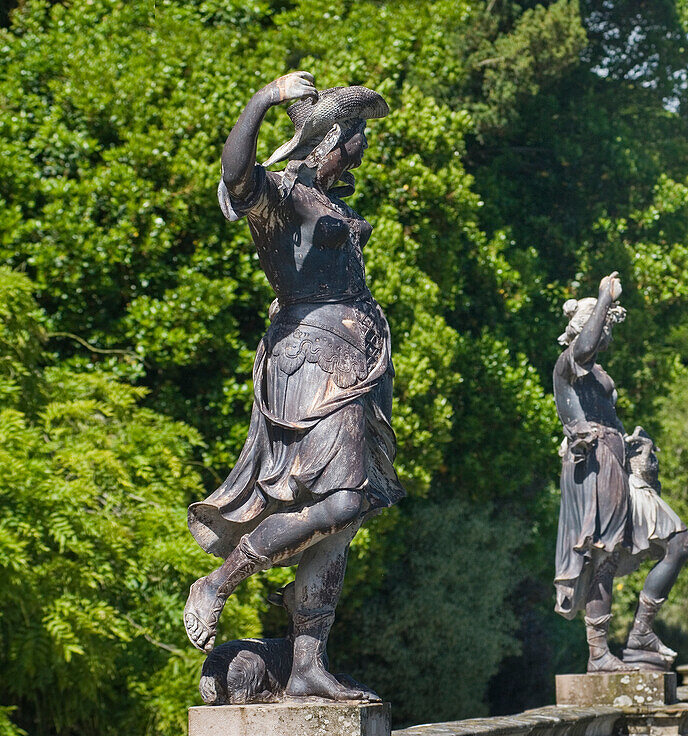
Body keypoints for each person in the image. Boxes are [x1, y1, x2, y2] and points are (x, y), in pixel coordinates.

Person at [182, 71, 403, 702]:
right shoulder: (281, 195)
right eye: (356, 134)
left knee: (346, 516)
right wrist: (263, 100)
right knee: (340, 502)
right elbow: (233, 175)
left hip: (356, 362)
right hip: (311, 362)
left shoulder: (330, 201)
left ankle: (308, 664)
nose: (361, 145)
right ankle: (219, 582)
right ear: (332, 137)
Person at [552, 272, 688, 672]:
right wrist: (602, 299)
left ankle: (641, 635)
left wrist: (635, 445)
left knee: (679, 541)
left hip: (619, 465)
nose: (608, 333)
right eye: (604, 324)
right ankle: (598, 653)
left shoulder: (599, 376)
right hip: (593, 464)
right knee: (603, 554)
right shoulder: (568, 365)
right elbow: (583, 348)